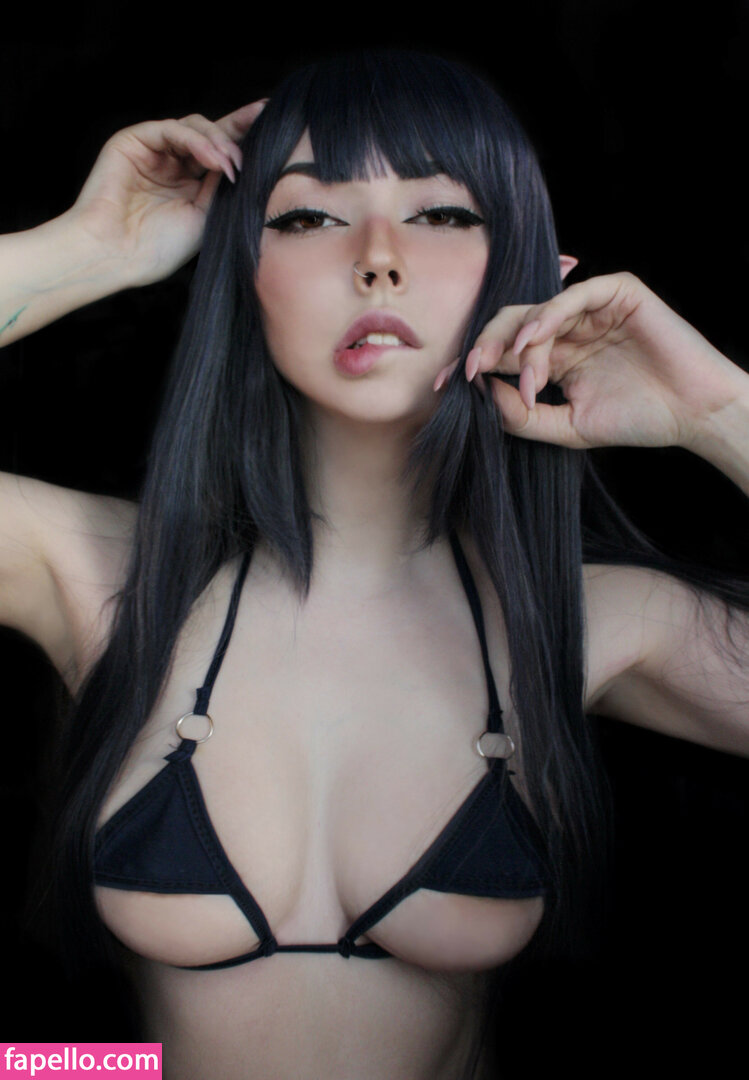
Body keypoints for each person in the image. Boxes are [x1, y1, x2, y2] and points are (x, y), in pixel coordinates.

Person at [2, 47, 748, 1080]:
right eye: (310, 216)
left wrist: (719, 413)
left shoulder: (592, 622)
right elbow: (68, 1062)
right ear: (242, 274)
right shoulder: (87, 571)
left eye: (441, 213)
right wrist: (81, 253)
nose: (378, 260)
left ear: (530, 269)